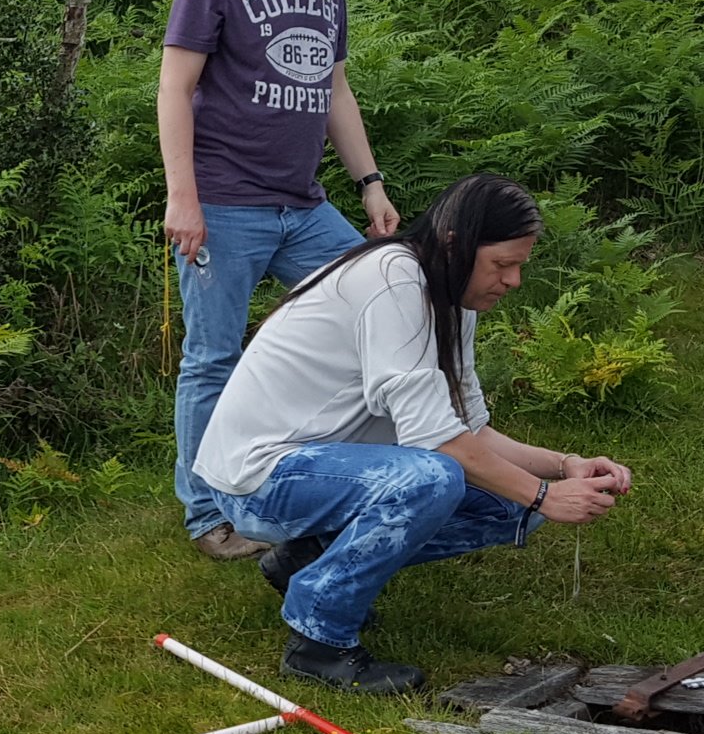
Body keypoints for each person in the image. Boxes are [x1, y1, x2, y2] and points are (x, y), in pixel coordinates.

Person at [190, 174, 633, 695]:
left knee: (511, 506)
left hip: (328, 466)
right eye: (502, 264)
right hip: (258, 478)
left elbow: (470, 431)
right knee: (434, 478)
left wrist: (564, 468)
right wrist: (545, 495)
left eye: (519, 266)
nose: (513, 281)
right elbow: (440, 444)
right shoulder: (393, 281)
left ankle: (309, 559)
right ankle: (319, 643)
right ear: (455, 244)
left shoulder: (449, 295)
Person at [160, 0, 402, 561]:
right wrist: (184, 198)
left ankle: (337, 478)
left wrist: (369, 184)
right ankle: (208, 516)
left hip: (304, 207)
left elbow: (333, 86)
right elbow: (176, 86)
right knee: (213, 358)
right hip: (225, 204)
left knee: (383, 313)